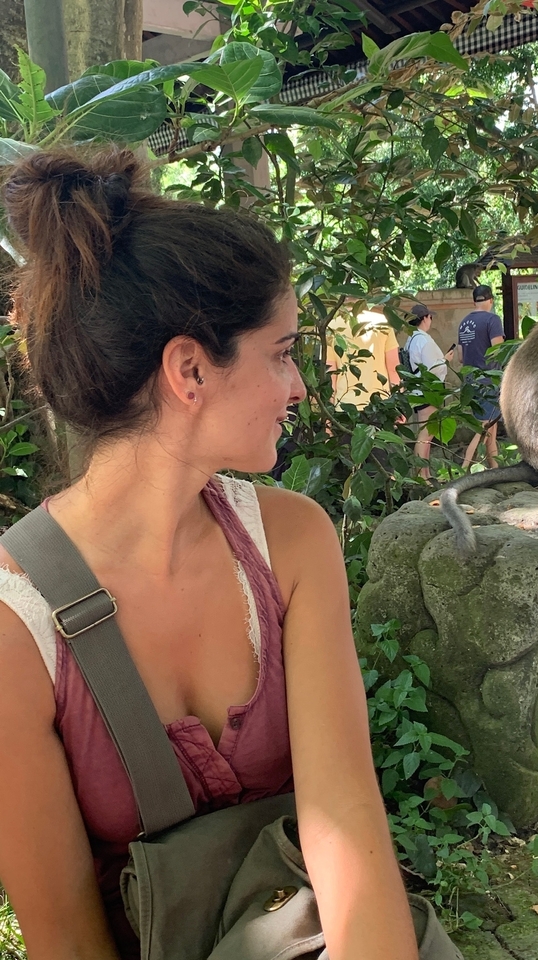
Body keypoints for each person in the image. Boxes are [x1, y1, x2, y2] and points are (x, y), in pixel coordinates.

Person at [0, 148, 419, 960]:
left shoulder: (294, 541)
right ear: (190, 368)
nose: (299, 386)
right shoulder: (17, 626)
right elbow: (66, 939)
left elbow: (346, 823)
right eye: (282, 351)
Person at [455, 285, 505, 470]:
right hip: (487, 380)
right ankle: (465, 466)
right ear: (491, 300)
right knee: (484, 427)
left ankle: (495, 468)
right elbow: (497, 351)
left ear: (474, 301)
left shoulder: (464, 322)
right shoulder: (492, 320)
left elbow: (460, 357)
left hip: (469, 381)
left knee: (490, 427)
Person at [405, 303, 451, 480]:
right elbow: (433, 367)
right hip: (428, 390)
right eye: (430, 317)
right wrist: (445, 360)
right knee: (426, 434)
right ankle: (421, 475)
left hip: (417, 390)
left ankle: (423, 473)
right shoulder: (423, 339)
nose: (431, 320)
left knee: (424, 433)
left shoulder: (411, 339)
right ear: (424, 318)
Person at [328, 309, 402, 408]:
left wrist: (328, 411)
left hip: (344, 405)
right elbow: (394, 369)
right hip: (380, 404)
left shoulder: (331, 326)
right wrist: (399, 405)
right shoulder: (383, 322)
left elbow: (331, 374)